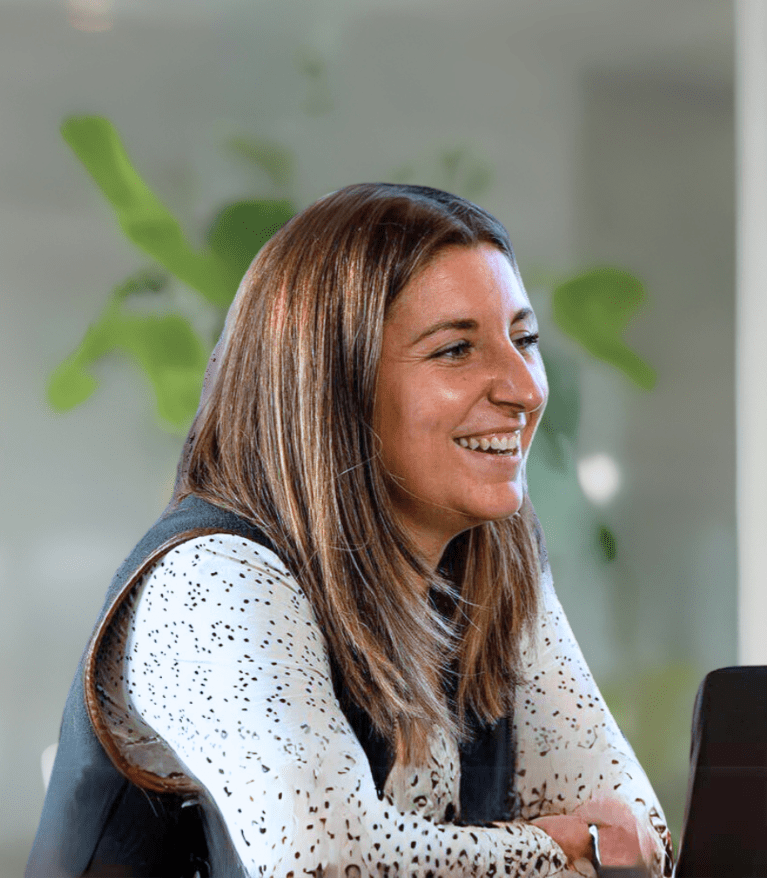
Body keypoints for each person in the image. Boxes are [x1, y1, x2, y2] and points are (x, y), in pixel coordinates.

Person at [27, 183, 674, 877]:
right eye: (456, 350)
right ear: (333, 384)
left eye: (524, 340)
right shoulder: (214, 577)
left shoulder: (492, 558)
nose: (522, 387)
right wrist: (555, 850)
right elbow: (328, 863)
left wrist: (581, 846)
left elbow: (634, 834)